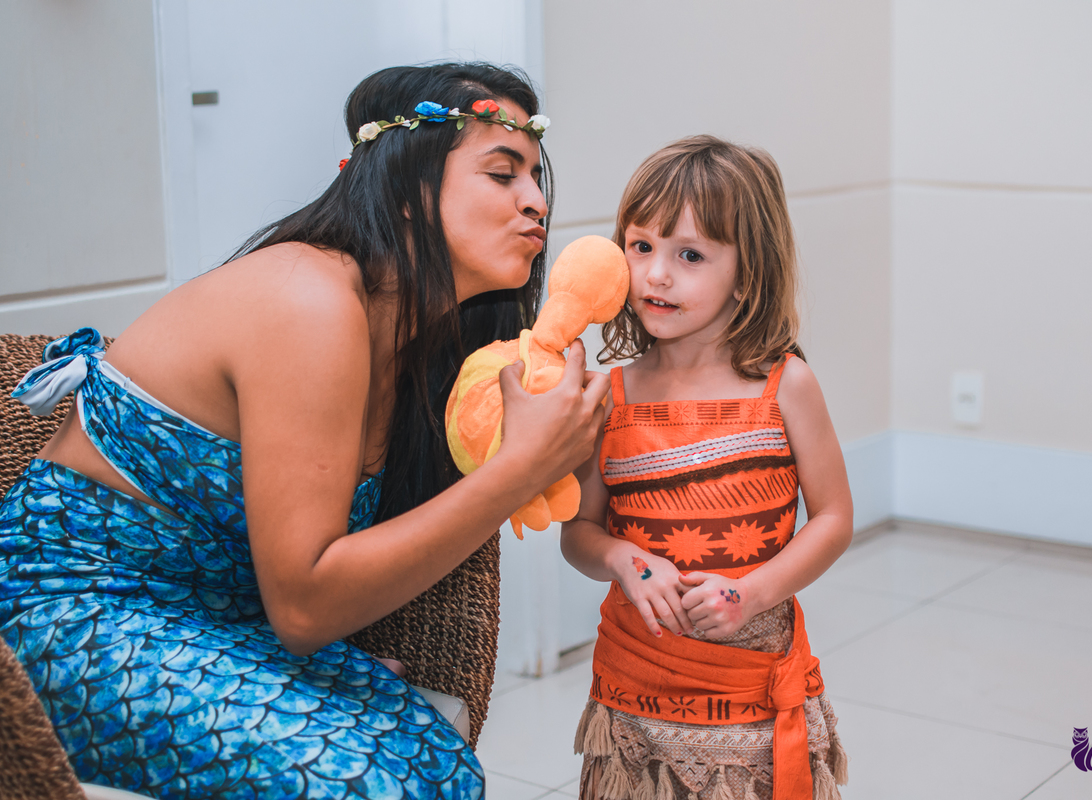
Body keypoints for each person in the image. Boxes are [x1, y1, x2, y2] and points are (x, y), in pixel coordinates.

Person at [0, 63, 608, 799]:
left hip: (216, 621)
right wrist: (517, 467)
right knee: (366, 783)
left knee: (437, 763)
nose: (536, 202)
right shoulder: (309, 302)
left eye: (537, 179)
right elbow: (304, 607)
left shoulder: (423, 350)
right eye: (502, 172)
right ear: (410, 186)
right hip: (66, 614)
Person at [562, 136, 853, 800]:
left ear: (748, 272)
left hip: (750, 688)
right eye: (641, 247)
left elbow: (834, 519)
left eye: (689, 255)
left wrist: (751, 594)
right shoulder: (611, 395)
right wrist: (624, 561)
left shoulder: (787, 386)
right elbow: (579, 532)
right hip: (638, 689)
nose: (656, 275)